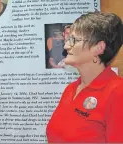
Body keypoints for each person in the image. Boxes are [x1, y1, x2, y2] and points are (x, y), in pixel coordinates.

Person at [46, 11, 123, 143]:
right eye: (67, 40)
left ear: (99, 48)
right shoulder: (70, 89)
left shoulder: (117, 93)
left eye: (73, 40)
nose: (66, 46)